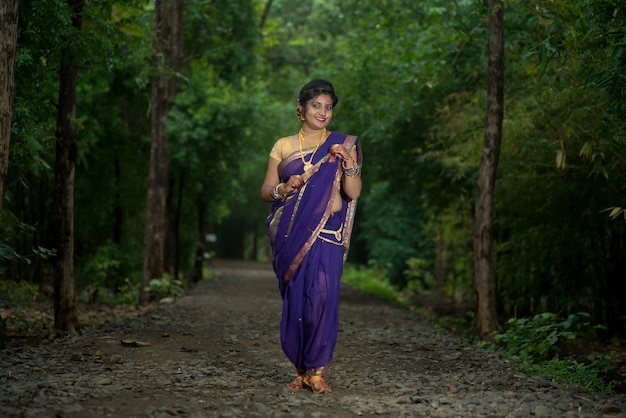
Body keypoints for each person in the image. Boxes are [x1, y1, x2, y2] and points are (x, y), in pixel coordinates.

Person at [261, 79, 362, 394]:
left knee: (322, 297)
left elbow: (353, 192)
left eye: (328, 107)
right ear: (301, 108)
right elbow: (266, 191)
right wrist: (283, 187)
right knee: (298, 301)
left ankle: (317, 371)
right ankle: (302, 370)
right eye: (316, 105)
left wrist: (349, 163)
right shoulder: (283, 145)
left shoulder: (344, 143)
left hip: (328, 234)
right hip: (292, 236)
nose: (323, 112)